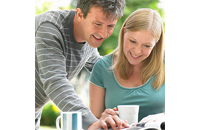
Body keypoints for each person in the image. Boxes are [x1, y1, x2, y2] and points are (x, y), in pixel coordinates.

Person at [35, 0, 130, 130]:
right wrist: (90, 122)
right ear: (79, 14)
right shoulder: (50, 28)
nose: (103, 33)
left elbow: (101, 69)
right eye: (97, 24)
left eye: (110, 26)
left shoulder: (89, 39)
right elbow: (54, 80)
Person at [89, 8, 165, 125]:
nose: (137, 51)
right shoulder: (102, 68)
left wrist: (162, 117)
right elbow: (93, 124)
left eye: (146, 45)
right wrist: (101, 120)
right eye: (133, 41)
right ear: (124, 32)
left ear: (156, 43)